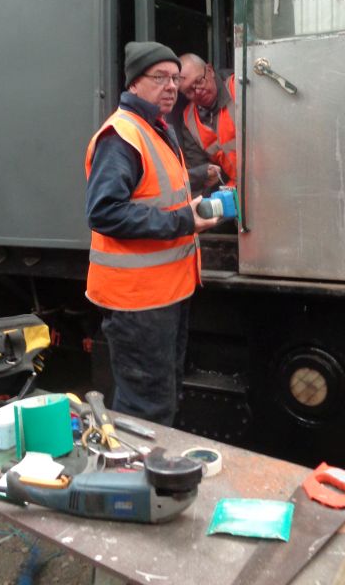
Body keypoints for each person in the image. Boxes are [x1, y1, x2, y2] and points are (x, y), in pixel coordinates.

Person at [84, 41, 218, 426]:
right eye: (160, 78)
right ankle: (131, 483)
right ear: (134, 84)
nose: (172, 86)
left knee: (162, 399)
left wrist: (198, 177)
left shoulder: (155, 129)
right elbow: (105, 212)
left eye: (175, 78)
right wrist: (184, 222)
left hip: (165, 295)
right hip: (138, 304)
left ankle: (155, 481)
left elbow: (156, 188)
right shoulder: (122, 135)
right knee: (145, 410)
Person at [178, 53, 236, 197]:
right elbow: (202, 172)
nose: (197, 91)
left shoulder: (239, 88)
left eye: (199, 81)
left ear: (210, 70)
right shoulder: (189, 121)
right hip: (236, 192)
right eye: (189, 91)